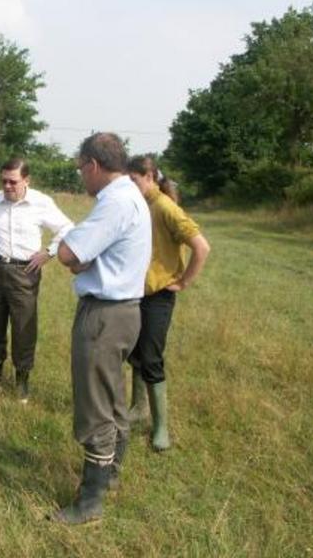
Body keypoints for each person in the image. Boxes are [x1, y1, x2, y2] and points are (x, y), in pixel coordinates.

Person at [50, 133, 151, 525]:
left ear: (93, 165)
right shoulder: (133, 196)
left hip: (104, 316)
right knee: (113, 398)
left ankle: (90, 501)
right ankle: (110, 477)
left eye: (80, 170)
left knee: (95, 408)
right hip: (127, 311)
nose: (81, 178)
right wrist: (83, 258)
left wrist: (79, 258)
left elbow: (67, 253)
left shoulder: (113, 203)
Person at [0, 158, 73, 403]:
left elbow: (67, 227)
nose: (7, 186)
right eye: (3, 181)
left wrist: (49, 252)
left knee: (23, 327)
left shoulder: (41, 203)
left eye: (13, 182)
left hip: (24, 272)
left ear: (26, 180)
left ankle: (22, 380)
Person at [126, 155, 210, 450]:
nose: (130, 186)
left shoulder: (164, 206)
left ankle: (161, 427)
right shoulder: (142, 205)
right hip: (137, 292)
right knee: (135, 352)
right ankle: (138, 410)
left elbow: (201, 247)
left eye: (134, 180)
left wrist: (183, 282)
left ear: (149, 177)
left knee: (151, 356)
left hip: (159, 296)